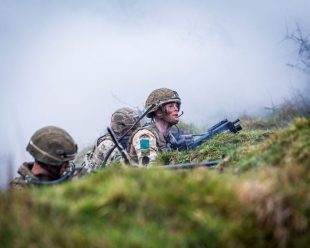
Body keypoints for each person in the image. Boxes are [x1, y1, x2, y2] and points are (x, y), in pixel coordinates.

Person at [10, 126, 78, 189]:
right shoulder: (19, 191)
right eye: (65, 163)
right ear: (49, 162)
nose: (68, 165)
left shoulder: (74, 177)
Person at [127, 88, 181, 166]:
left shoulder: (170, 137)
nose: (176, 109)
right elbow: (149, 167)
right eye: (170, 106)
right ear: (158, 112)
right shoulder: (144, 137)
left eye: (177, 106)